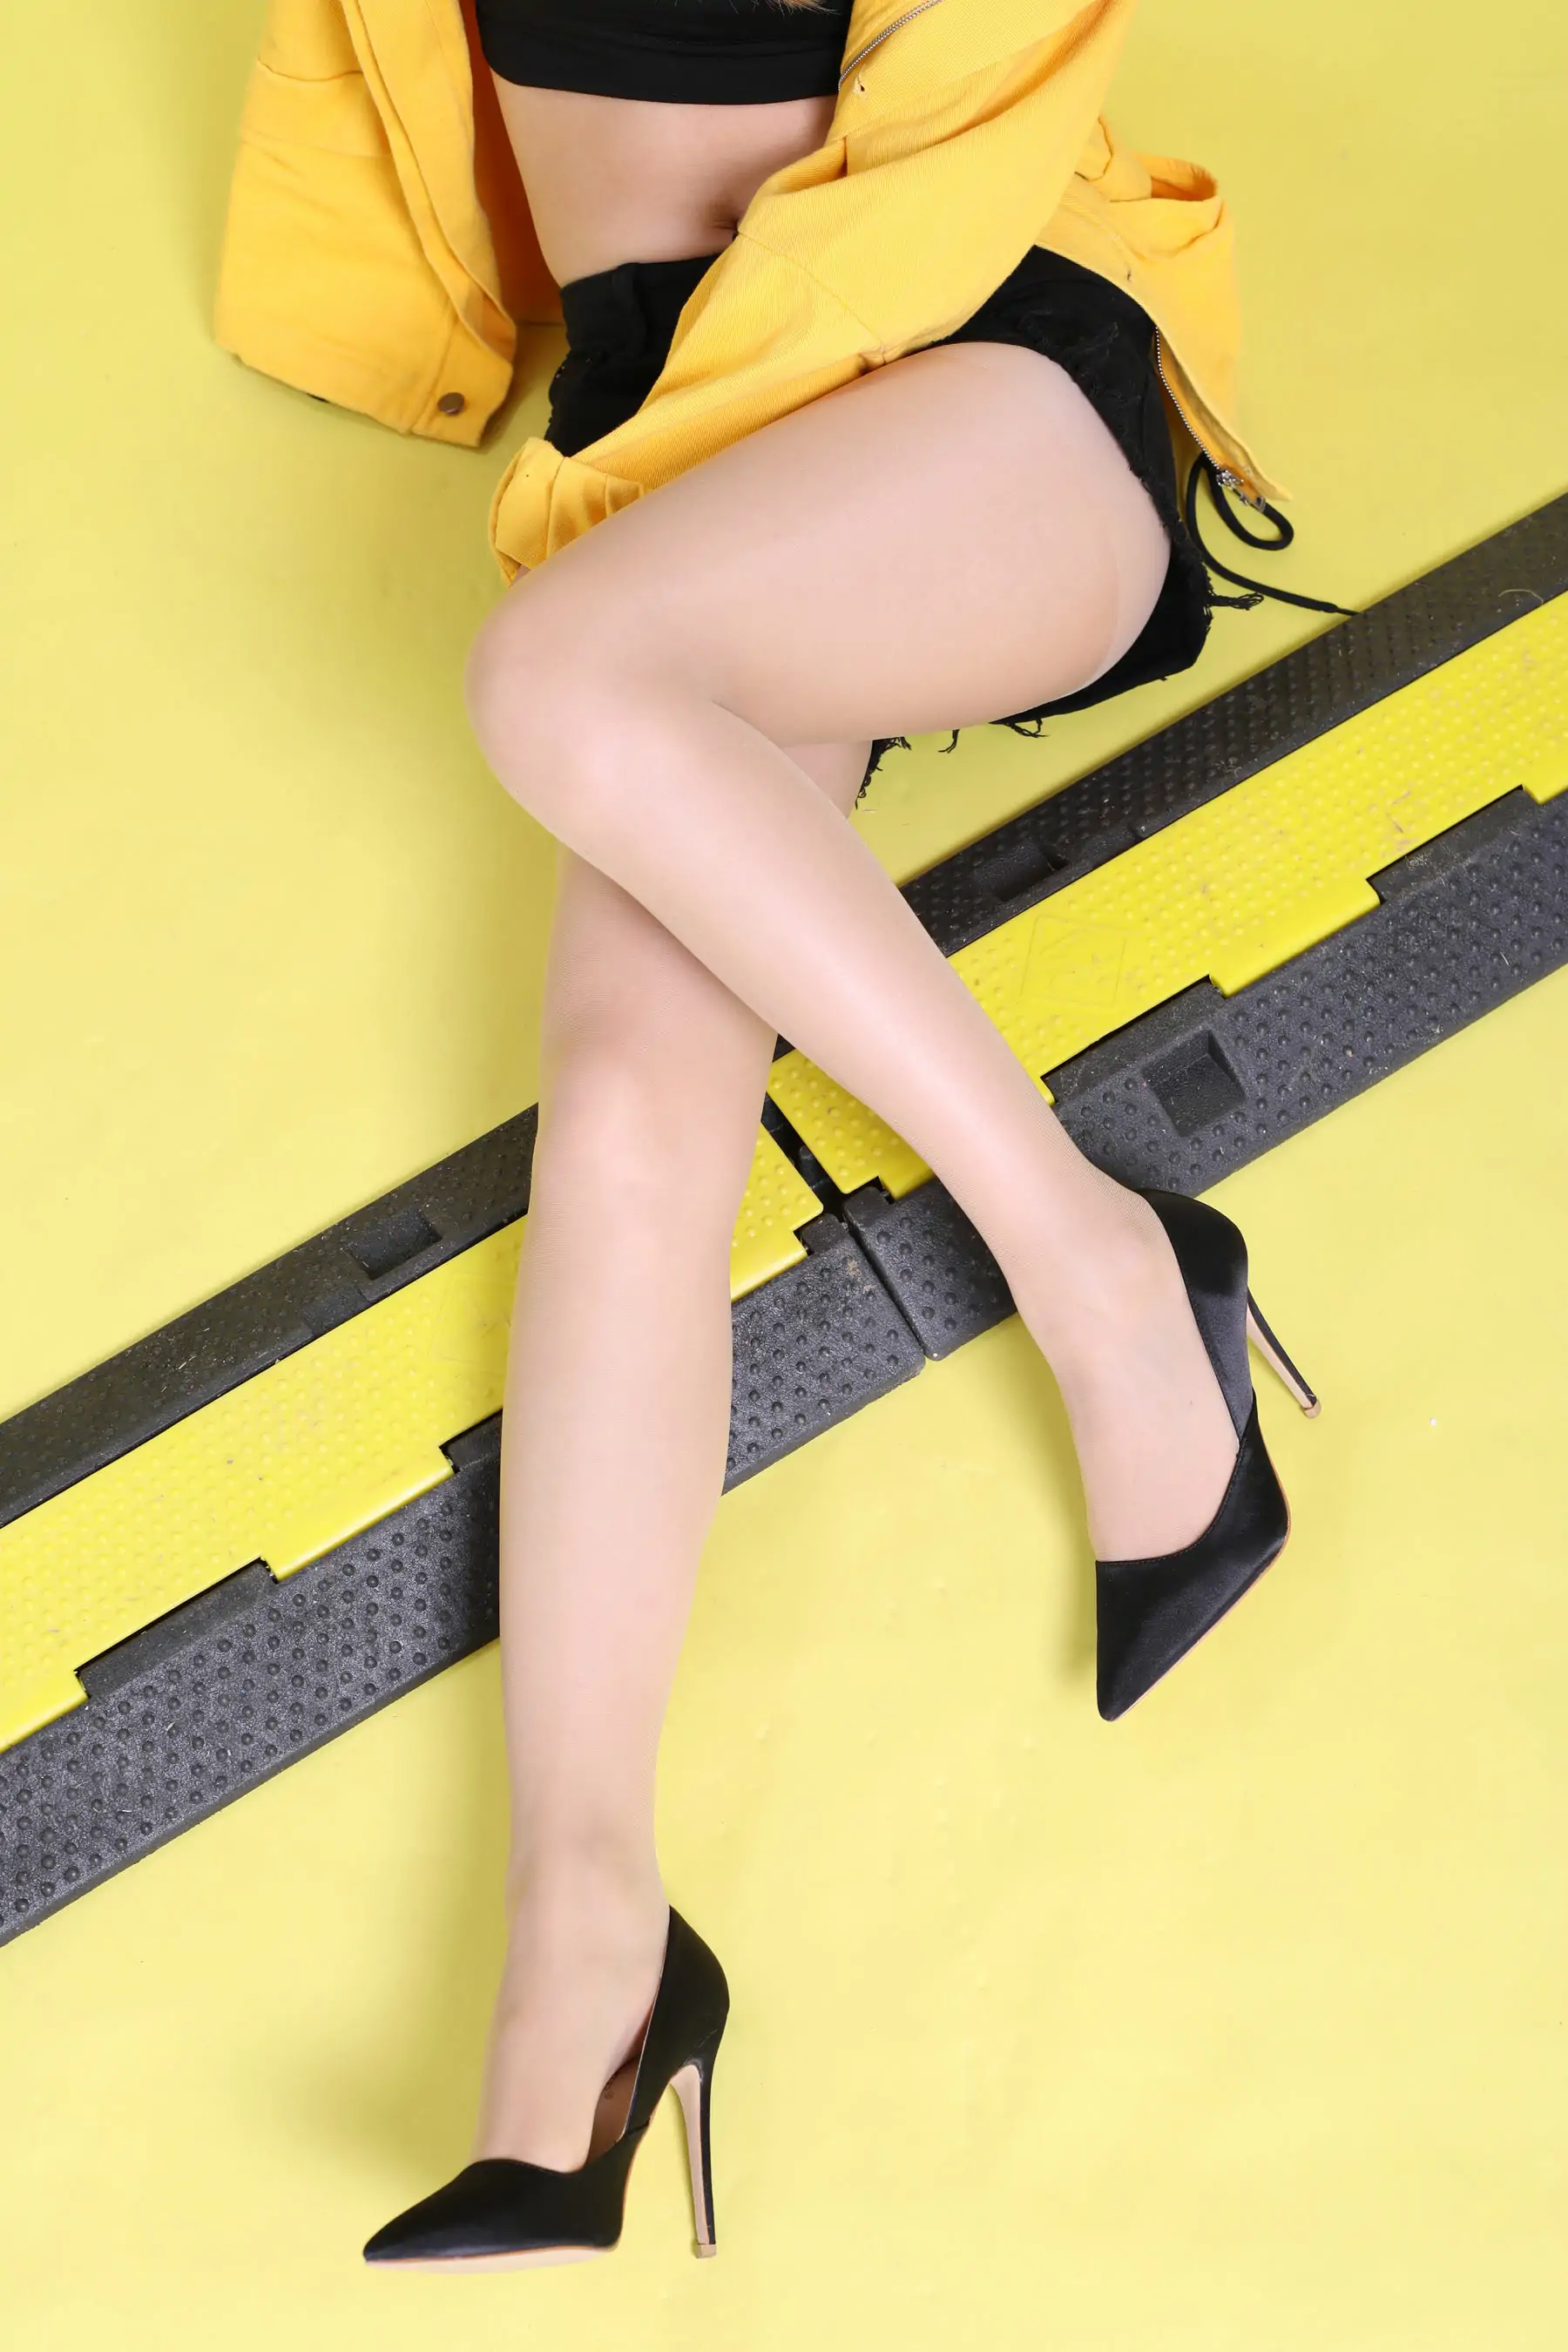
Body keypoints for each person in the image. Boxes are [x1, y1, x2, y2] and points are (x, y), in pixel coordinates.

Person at [349, 0, 1318, 2274]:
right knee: (619, 1116)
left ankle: (1104, 1274)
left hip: (965, 376)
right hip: (681, 459)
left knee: (552, 682)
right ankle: (588, 1946)